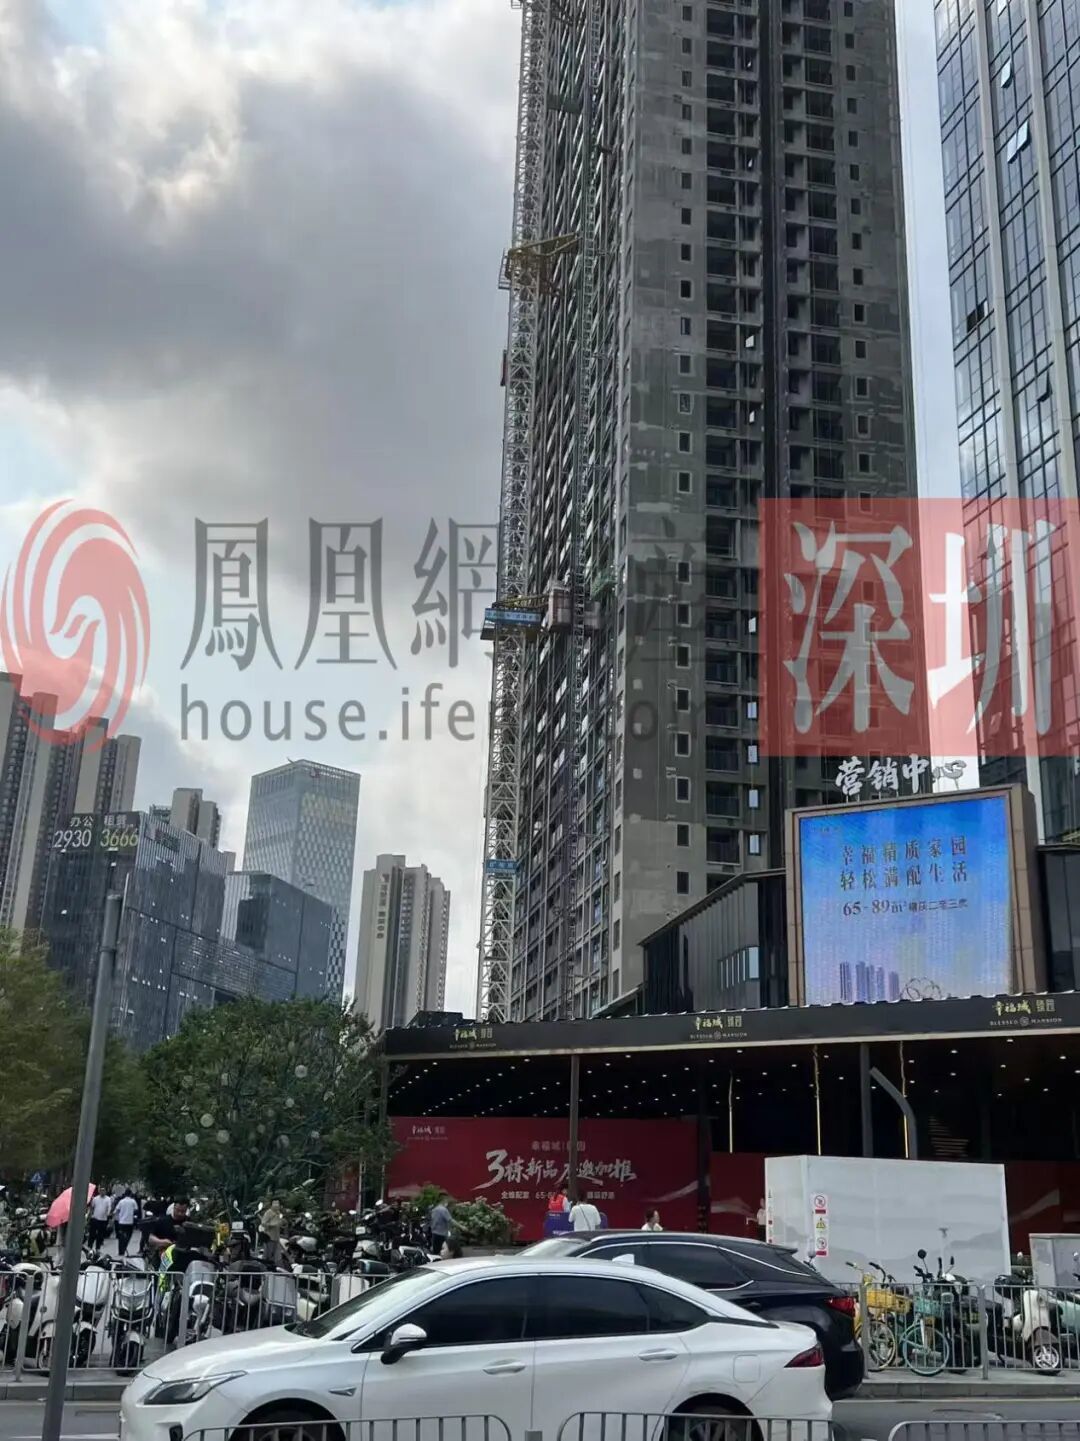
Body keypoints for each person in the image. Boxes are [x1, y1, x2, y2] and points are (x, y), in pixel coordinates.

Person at [114, 1189, 139, 1257]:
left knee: (121, 1237)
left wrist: (117, 1218)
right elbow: (136, 1210)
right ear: (130, 1194)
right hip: (129, 1222)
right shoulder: (133, 1201)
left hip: (121, 1222)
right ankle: (124, 1247)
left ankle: (120, 1251)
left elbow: (116, 1210)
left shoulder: (121, 1201)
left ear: (125, 1194)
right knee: (128, 1236)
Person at [87, 1188, 112, 1253]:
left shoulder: (108, 1199)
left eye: (103, 1190)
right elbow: (92, 1208)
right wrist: (90, 1216)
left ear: (105, 1191)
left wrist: (108, 1214)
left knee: (100, 1234)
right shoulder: (95, 1199)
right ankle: (89, 1246)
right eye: (101, 1190)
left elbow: (109, 1207)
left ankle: (98, 1247)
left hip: (103, 1219)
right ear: (99, 1191)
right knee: (92, 1233)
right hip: (95, 1218)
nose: (102, 1192)